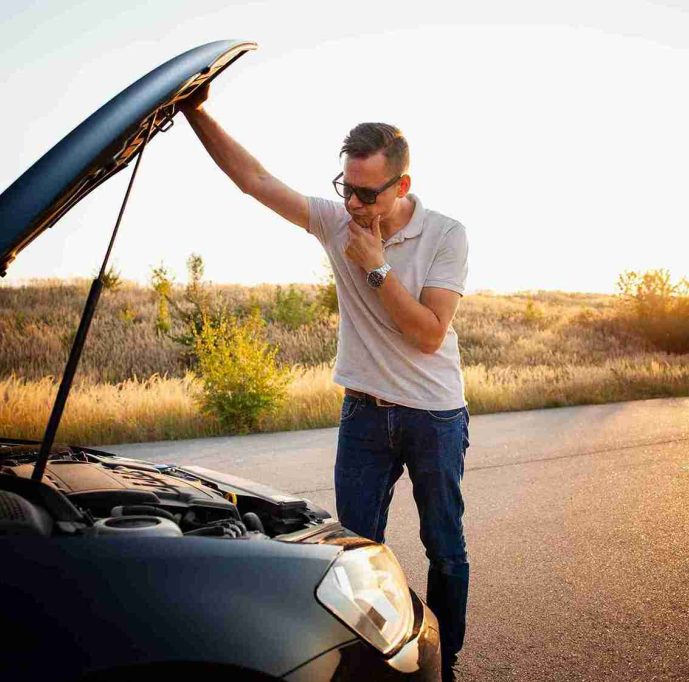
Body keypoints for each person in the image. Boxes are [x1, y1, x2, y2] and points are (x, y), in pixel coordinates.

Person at [180, 84, 471, 680]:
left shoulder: (446, 235)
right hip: (364, 414)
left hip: (433, 415)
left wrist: (377, 268)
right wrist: (195, 111)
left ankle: (448, 662)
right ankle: (368, 668)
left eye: (368, 193)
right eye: (347, 188)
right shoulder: (335, 220)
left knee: (444, 545)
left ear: (402, 187)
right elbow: (256, 181)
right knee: (353, 552)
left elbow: (428, 334)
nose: (355, 205)